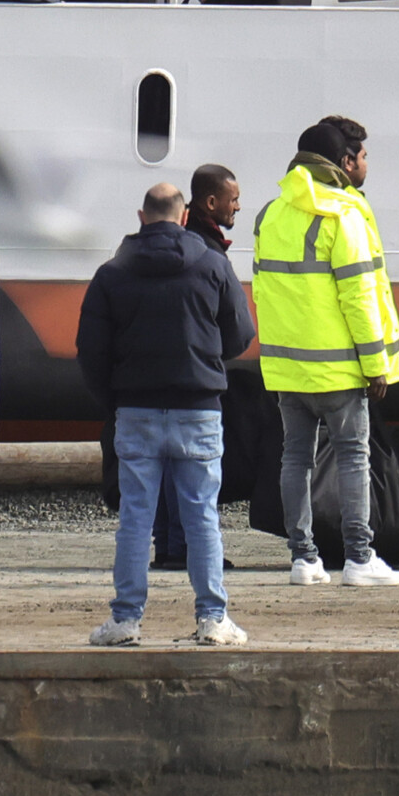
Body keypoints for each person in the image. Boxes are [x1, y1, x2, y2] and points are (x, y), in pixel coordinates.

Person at [76, 181, 257, 646]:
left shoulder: (111, 274)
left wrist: (113, 402)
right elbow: (240, 335)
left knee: (136, 517)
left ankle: (125, 620)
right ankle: (213, 618)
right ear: (182, 216)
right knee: (202, 517)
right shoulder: (213, 264)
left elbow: (90, 351)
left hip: (134, 409)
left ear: (141, 217)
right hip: (197, 409)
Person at [253, 116, 399, 588]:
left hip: (288, 368)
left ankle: (303, 559)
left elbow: (264, 290)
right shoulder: (344, 214)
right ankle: (359, 558)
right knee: (353, 458)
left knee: (294, 460)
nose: (365, 165)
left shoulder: (270, 213)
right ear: (342, 163)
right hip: (340, 370)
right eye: (361, 157)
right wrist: (376, 362)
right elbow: (360, 297)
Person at [187, 164, 240, 256]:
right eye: (233, 200)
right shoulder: (209, 251)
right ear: (211, 203)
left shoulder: (182, 235)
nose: (238, 207)